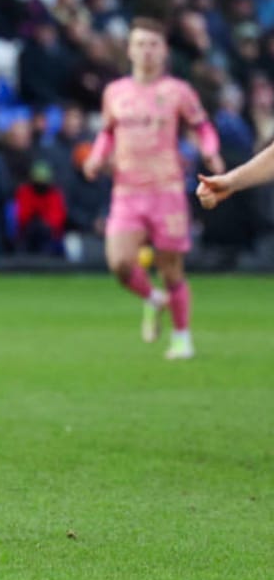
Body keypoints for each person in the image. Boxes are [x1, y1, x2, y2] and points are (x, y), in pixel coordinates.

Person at [81, 18, 221, 360]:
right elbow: (108, 132)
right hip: (127, 190)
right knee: (119, 264)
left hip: (167, 189)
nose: (146, 50)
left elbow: (202, 127)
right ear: (129, 49)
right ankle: (153, 299)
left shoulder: (178, 92)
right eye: (140, 43)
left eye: (153, 44)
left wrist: (210, 151)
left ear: (164, 51)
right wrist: (97, 157)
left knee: (171, 267)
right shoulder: (115, 92)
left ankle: (182, 337)